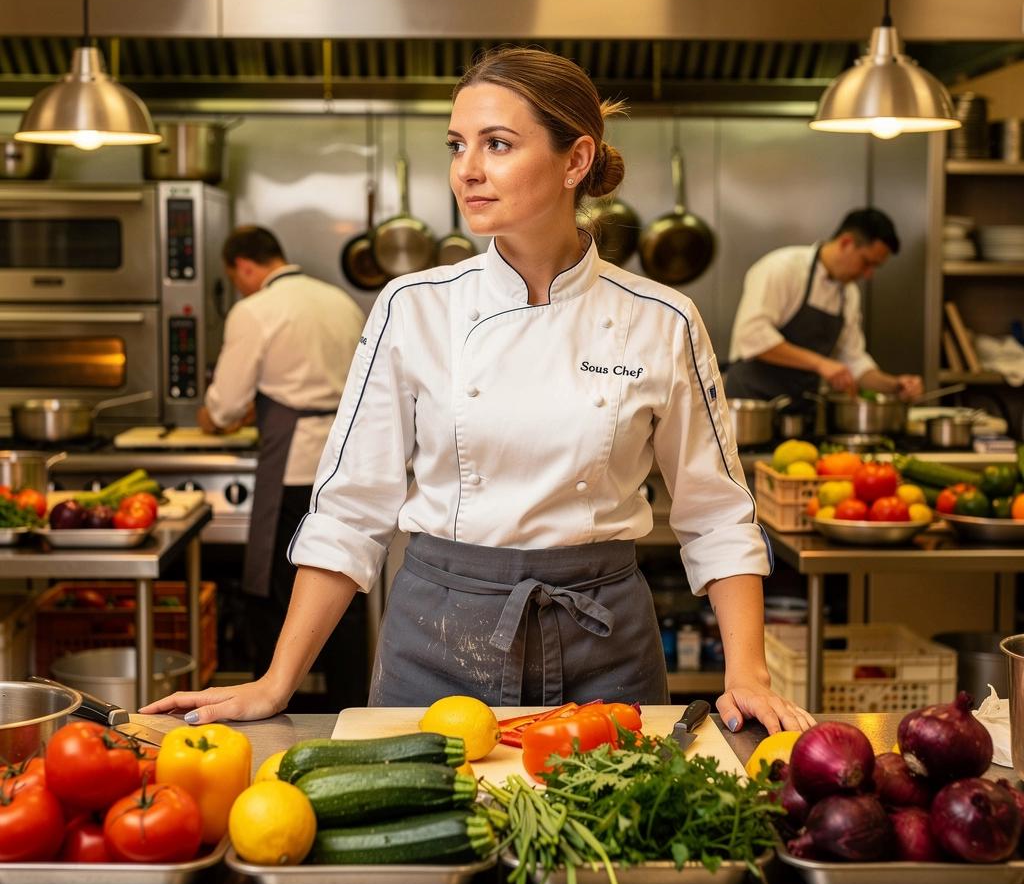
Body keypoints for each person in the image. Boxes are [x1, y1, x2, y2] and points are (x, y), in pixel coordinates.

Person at [144, 49, 813, 734]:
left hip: (605, 646)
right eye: (458, 145)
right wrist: (276, 680)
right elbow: (350, 510)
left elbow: (717, 514)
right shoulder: (413, 306)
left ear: (575, 161)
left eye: (497, 144)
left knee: (609, 839)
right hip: (435, 641)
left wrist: (748, 675)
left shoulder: (661, 318)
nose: (467, 169)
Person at [198, 225, 367, 702]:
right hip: (345, 459)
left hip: (292, 467)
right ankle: (349, 708)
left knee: (275, 595)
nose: (240, 287)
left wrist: (212, 417)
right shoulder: (340, 301)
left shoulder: (254, 310)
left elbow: (226, 406)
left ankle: (272, 705)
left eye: (237, 279)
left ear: (245, 267)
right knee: (343, 590)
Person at [725, 209, 924, 412]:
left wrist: (895, 385)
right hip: (751, 407)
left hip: (798, 411)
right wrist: (820, 363)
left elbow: (853, 360)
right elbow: (752, 336)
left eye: (875, 267)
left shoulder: (849, 294)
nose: (868, 274)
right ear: (846, 242)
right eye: (866, 262)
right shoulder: (782, 268)